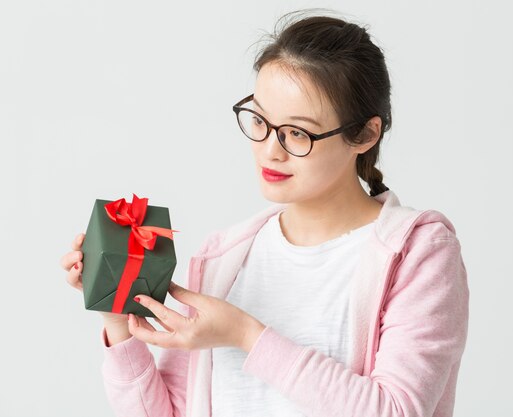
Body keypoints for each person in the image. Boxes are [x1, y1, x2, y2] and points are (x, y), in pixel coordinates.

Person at [60, 10, 469, 417]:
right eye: (260, 120)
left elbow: (397, 410)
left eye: (297, 132)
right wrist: (117, 315)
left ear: (364, 134)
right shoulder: (225, 257)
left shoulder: (418, 251)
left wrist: (245, 334)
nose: (270, 149)